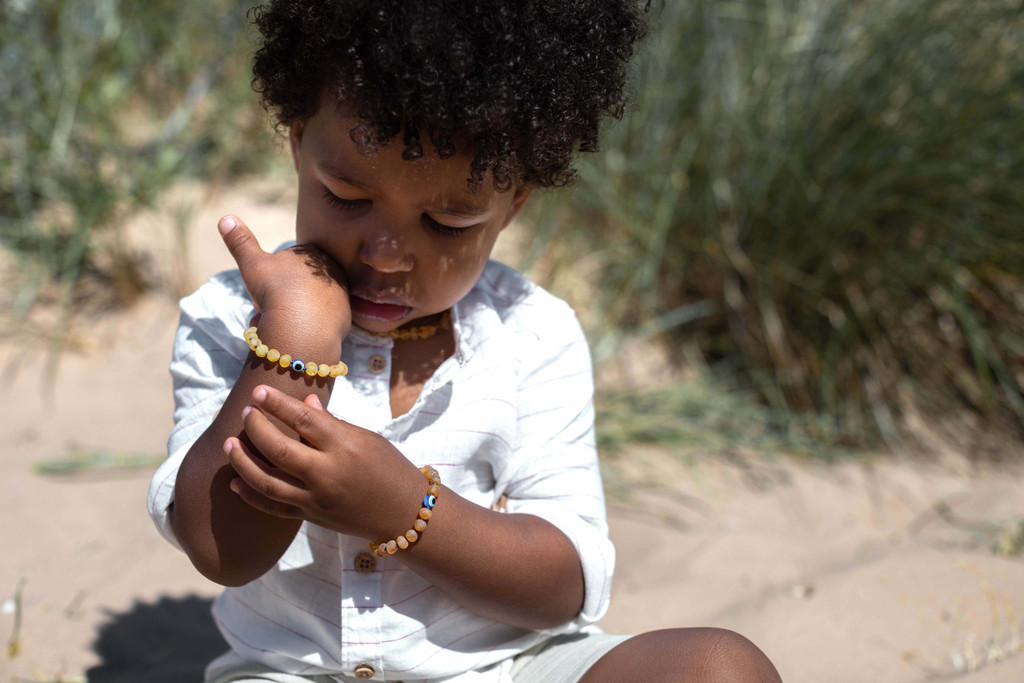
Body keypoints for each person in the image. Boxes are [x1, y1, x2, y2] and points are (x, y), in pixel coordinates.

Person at [147, 1, 783, 681]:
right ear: (299, 138)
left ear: (514, 203)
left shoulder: (533, 333)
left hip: (509, 666)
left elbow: (563, 583)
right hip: (295, 671)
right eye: (345, 195)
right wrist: (296, 337)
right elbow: (221, 549)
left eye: (448, 223)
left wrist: (402, 506)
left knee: (720, 666)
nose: (387, 253)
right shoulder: (227, 315)